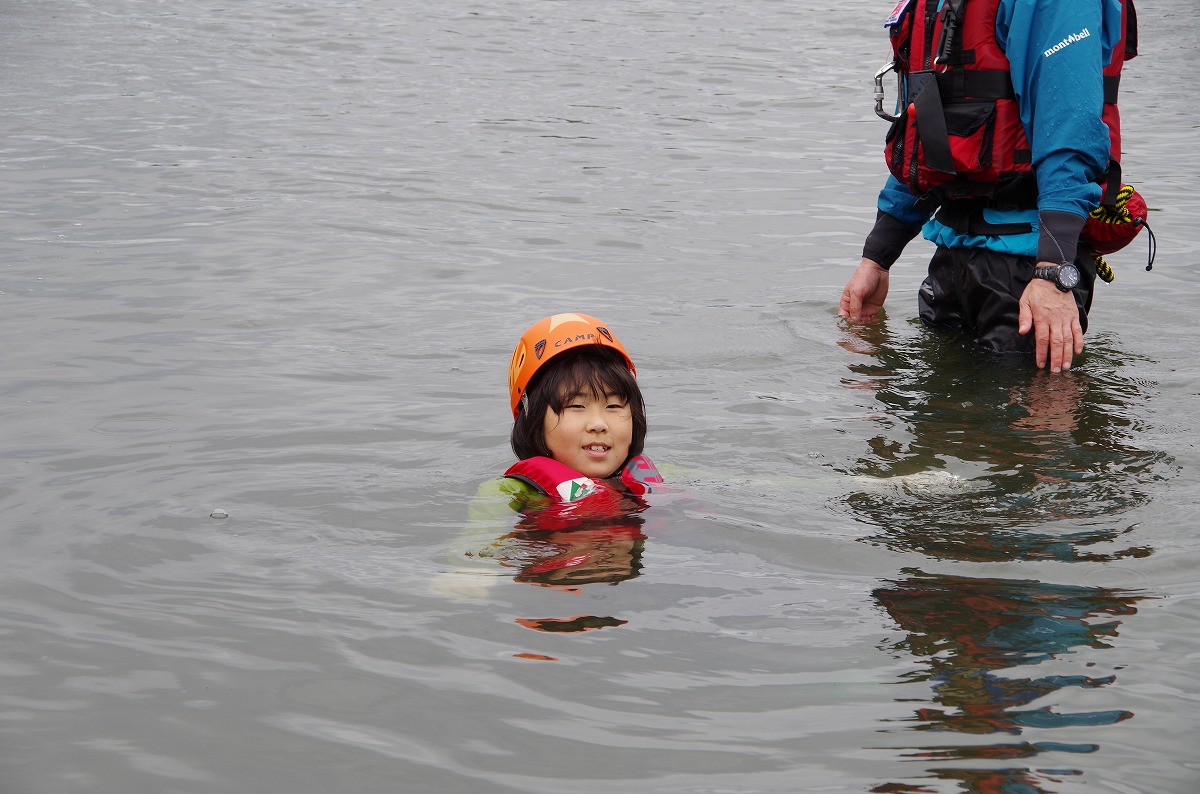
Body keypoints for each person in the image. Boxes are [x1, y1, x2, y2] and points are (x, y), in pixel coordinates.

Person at [839, 0, 1139, 372]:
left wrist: (1052, 271)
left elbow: (1069, 131)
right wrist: (878, 256)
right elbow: (926, 134)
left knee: (1037, 422)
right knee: (937, 424)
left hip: (1028, 268)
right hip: (952, 260)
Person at [502, 312, 662, 516]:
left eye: (613, 406)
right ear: (532, 419)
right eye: (576, 406)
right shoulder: (511, 492)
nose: (598, 424)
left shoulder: (661, 477)